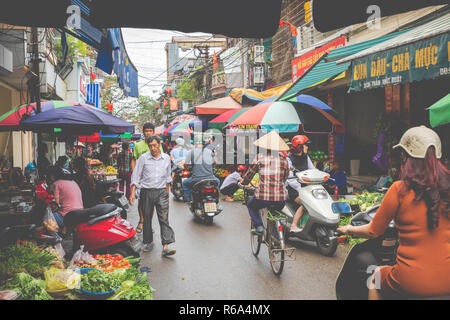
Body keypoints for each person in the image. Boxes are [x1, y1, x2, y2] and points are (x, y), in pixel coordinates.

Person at [337, 126, 450, 300]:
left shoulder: (399, 189)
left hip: (410, 281)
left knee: (375, 278)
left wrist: (348, 229)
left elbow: (373, 231)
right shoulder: (447, 190)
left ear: (405, 157)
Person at [129, 135, 176, 256]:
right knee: (147, 217)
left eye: (155, 145)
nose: (153, 148)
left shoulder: (166, 158)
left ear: (159, 144)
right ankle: (148, 242)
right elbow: (136, 175)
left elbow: (167, 177)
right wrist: (132, 192)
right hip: (146, 191)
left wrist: (167, 193)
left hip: (161, 192)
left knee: (164, 218)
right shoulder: (143, 158)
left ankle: (166, 246)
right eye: (150, 146)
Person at [240, 131, 290, 235]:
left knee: (251, 205)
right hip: (281, 199)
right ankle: (276, 236)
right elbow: (285, 178)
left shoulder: (259, 157)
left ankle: (259, 226)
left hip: (262, 197)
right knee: (274, 212)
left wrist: (244, 182)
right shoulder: (284, 160)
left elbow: (250, 174)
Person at [131, 123, 161, 233]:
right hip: (141, 180)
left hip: (153, 179)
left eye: (150, 130)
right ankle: (141, 220)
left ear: (153, 132)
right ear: (143, 132)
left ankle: (148, 223)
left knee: (151, 203)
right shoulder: (138, 145)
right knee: (141, 202)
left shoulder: (158, 143)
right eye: (146, 131)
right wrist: (135, 174)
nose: (148, 132)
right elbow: (134, 159)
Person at [286, 135, 315, 233]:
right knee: (306, 204)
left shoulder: (306, 157)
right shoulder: (289, 159)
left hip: (306, 189)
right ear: (300, 146)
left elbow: (313, 170)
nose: (307, 147)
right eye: (305, 145)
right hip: (294, 190)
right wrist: (299, 189)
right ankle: (293, 225)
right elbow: (290, 179)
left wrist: (322, 174)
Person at [182, 135, 220, 203]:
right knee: (218, 181)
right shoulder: (209, 151)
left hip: (196, 179)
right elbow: (214, 162)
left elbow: (186, 164)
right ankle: (215, 198)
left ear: (194, 143)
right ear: (203, 143)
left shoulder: (191, 152)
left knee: (184, 183)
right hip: (210, 178)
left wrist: (186, 168)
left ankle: (189, 200)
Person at [46, 165, 84, 231]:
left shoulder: (56, 184)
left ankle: (56, 236)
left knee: (47, 216)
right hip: (80, 213)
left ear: (52, 176)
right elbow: (50, 190)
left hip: (67, 216)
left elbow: (56, 204)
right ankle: (65, 229)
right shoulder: (73, 182)